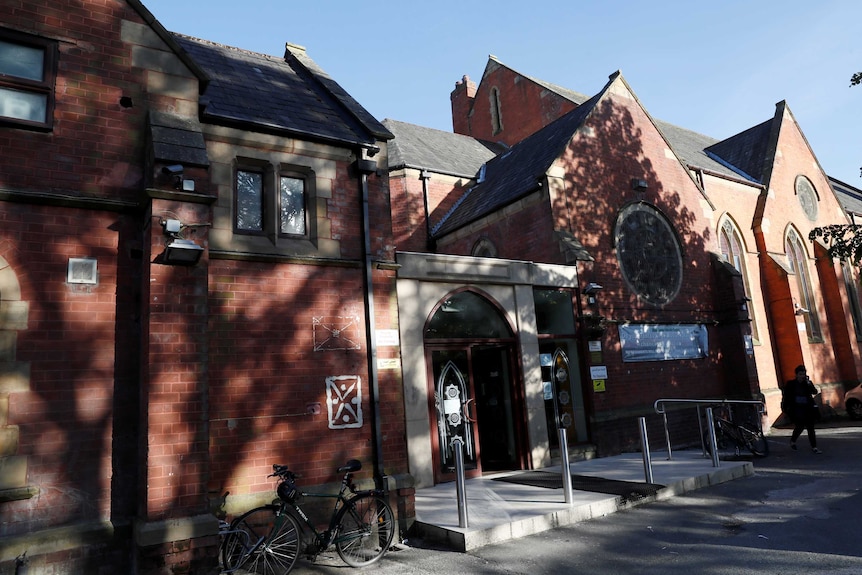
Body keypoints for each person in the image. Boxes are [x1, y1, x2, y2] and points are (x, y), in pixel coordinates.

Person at [781, 365, 822, 453]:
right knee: (800, 426)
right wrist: (784, 407)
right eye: (800, 374)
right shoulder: (791, 384)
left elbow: (815, 392)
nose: (802, 376)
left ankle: (814, 447)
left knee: (810, 427)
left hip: (807, 408)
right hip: (797, 408)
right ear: (796, 375)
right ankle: (793, 440)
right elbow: (786, 397)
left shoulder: (807, 383)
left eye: (803, 374)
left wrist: (809, 384)